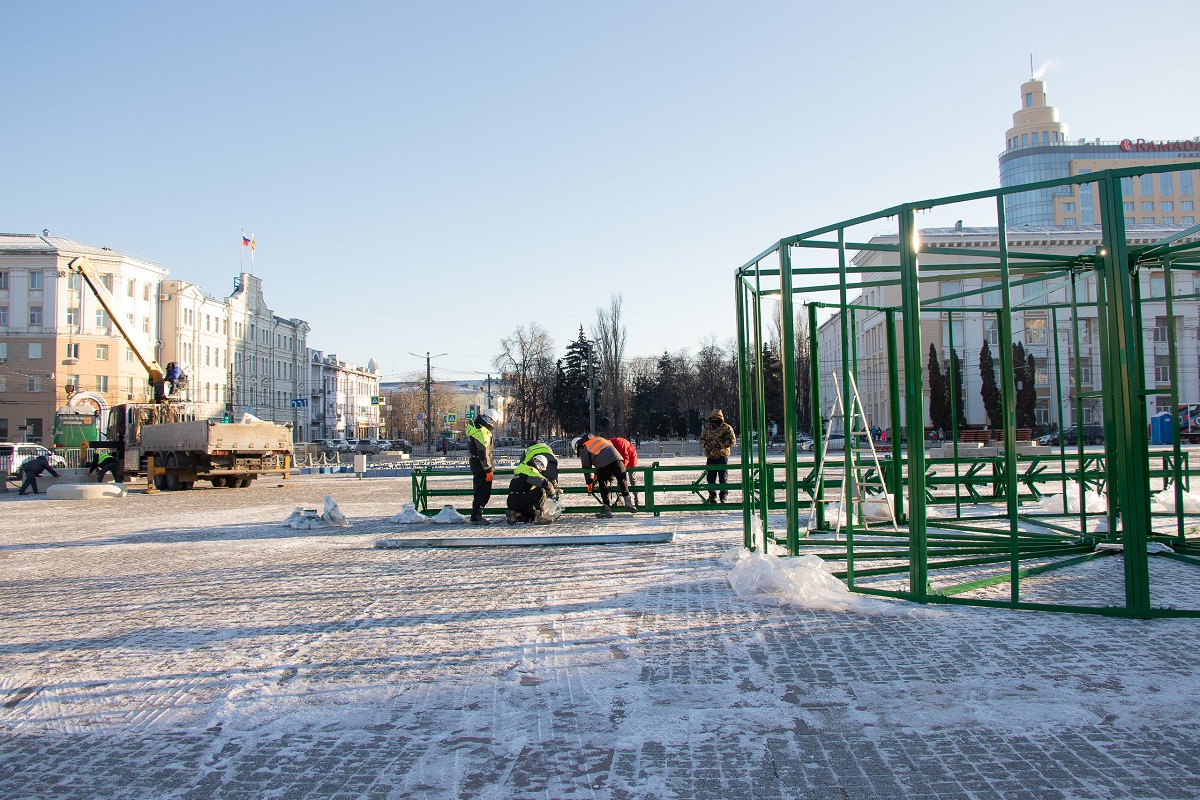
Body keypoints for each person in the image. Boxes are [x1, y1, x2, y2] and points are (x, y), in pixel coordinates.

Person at [573, 433, 635, 518]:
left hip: (602, 463)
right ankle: (628, 501)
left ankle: (607, 508)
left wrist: (589, 482)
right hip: (616, 457)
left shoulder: (584, 446)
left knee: (603, 484)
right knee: (622, 479)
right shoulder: (599, 439)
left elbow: (586, 466)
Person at [464, 407, 499, 524]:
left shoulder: (474, 427)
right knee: (483, 491)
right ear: (489, 420)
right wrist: (488, 469)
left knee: (479, 489)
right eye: (493, 422)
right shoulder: (482, 432)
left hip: (476, 463)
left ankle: (476, 514)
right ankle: (476, 516)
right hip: (481, 465)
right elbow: (483, 453)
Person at [506, 454, 560, 524]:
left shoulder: (522, 469)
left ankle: (514, 515)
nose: (540, 471)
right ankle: (539, 517)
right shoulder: (531, 472)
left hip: (511, 501)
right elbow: (545, 484)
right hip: (520, 499)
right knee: (541, 491)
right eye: (541, 470)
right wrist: (552, 493)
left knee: (531, 516)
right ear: (540, 465)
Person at [699, 409, 737, 503]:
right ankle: (712, 496)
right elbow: (701, 438)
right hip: (710, 456)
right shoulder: (708, 428)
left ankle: (723, 497)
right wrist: (706, 445)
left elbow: (732, 441)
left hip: (721, 456)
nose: (714, 421)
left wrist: (721, 444)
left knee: (723, 478)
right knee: (710, 478)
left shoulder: (726, 428)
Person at [610, 436, 639, 505]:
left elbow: (626, 457)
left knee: (632, 478)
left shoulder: (619, 443)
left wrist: (621, 469)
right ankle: (619, 499)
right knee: (620, 478)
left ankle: (636, 497)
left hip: (631, 457)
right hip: (621, 459)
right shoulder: (610, 446)